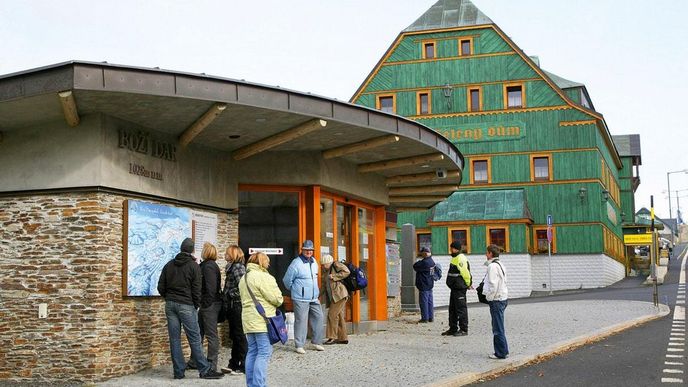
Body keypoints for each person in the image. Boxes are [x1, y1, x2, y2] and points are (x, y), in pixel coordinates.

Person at [157, 238, 224, 380]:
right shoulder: (194, 266)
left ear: (181, 249)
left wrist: (168, 297)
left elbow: (160, 287)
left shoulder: (169, 265)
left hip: (170, 305)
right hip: (186, 305)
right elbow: (197, 289)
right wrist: (195, 304)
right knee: (194, 338)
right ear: (192, 250)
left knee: (174, 339)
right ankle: (205, 370)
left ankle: (179, 372)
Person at [239, 252, 284, 387]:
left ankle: (251, 384)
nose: (268, 264)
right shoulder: (264, 277)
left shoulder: (244, 278)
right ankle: (259, 385)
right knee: (264, 352)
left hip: (248, 319)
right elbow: (277, 299)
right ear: (262, 262)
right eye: (267, 262)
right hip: (262, 320)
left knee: (252, 350)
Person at [282, 240, 325, 354]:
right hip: (300, 297)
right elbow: (287, 280)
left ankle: (316, 342)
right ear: (302, 250)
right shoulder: (296, 263)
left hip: (313, 297)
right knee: (301, 321)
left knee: (319, 317)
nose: (309, 252)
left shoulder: (314, 261)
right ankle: (299, 345)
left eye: (311, 250)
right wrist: (295, 290)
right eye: (306, 250)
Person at [186, 242, 223, 372]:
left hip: (209, 305)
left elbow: (211, 288)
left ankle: (212, 364)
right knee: (199, 333)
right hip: (208, 304)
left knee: (210, 335)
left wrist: (205, 304)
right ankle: (195, 361)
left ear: (206, 252)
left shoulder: (208, 267)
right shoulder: (207, 266)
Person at [221, 245, 248, 375]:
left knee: (239, 336)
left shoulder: (237, 267)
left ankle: (243, 365)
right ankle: (233, 363)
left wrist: (230, 294)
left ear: (233, 254)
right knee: (235, 336)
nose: (225, 255)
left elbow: (243, 287)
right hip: (232, 306)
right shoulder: (232, 267)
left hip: (236, 306)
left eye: (227, 253)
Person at [484, 244, 509, 360]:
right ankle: (504, 349)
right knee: (500, 326)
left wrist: (489, 297)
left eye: (487, 252)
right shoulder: (501, 264)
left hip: (496, 299)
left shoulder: (492, 266)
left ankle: (500, 353)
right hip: (503, 297)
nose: (485, 254)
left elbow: (493, 284)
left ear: (490, 254)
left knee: (497, 328)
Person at [442, 241, 472, 336]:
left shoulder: (460, 259)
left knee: (461, 309)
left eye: (452, 248)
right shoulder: (454, 258)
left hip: (459, 288)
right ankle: (453, 328)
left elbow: (465, 273)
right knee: (453, 309)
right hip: (454, 287)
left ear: (457, 249)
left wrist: (468, 283)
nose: (451, 250)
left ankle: (464, 329)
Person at [320, 254, 350, 345]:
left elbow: (347, 271)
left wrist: (334, 276)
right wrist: (316, 295)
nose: (323, 266)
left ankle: (331, 337)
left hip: (340, 295)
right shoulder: (325, 272)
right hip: (335, 297)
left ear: (329, 262)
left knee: (331, 315)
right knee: (339, 316)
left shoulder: (335, 265)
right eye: (322, 264)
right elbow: (324, 287)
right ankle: (343, 338)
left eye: (325, 264)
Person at [413, 246, 435, 323]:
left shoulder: (424, 262)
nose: (421, 255)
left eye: (422, 253)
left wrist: (420, 261)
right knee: (430, 301)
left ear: (425, 253)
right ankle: (430, 317)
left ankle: (425, 318)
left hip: (423, 285)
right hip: (430, 284)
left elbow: (415, 266)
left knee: (423, 302)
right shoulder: (432, 262)